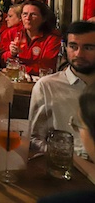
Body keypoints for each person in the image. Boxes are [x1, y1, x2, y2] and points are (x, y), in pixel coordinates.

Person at [29, 21, 95, 155]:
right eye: (73, 46)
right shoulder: (47, 86)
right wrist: (64, 155)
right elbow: (34, 139)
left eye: (88, 48)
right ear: (65, 48)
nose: (78, 54)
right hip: (62, 162)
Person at [2, 0, 61, 75]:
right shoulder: (12, 33)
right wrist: (11, 54)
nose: (28, 18)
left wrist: (19, 68)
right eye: (25, 14)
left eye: (33, 15)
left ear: (43, 18)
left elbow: (47, 68)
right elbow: (1, 59)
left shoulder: (52, 39)